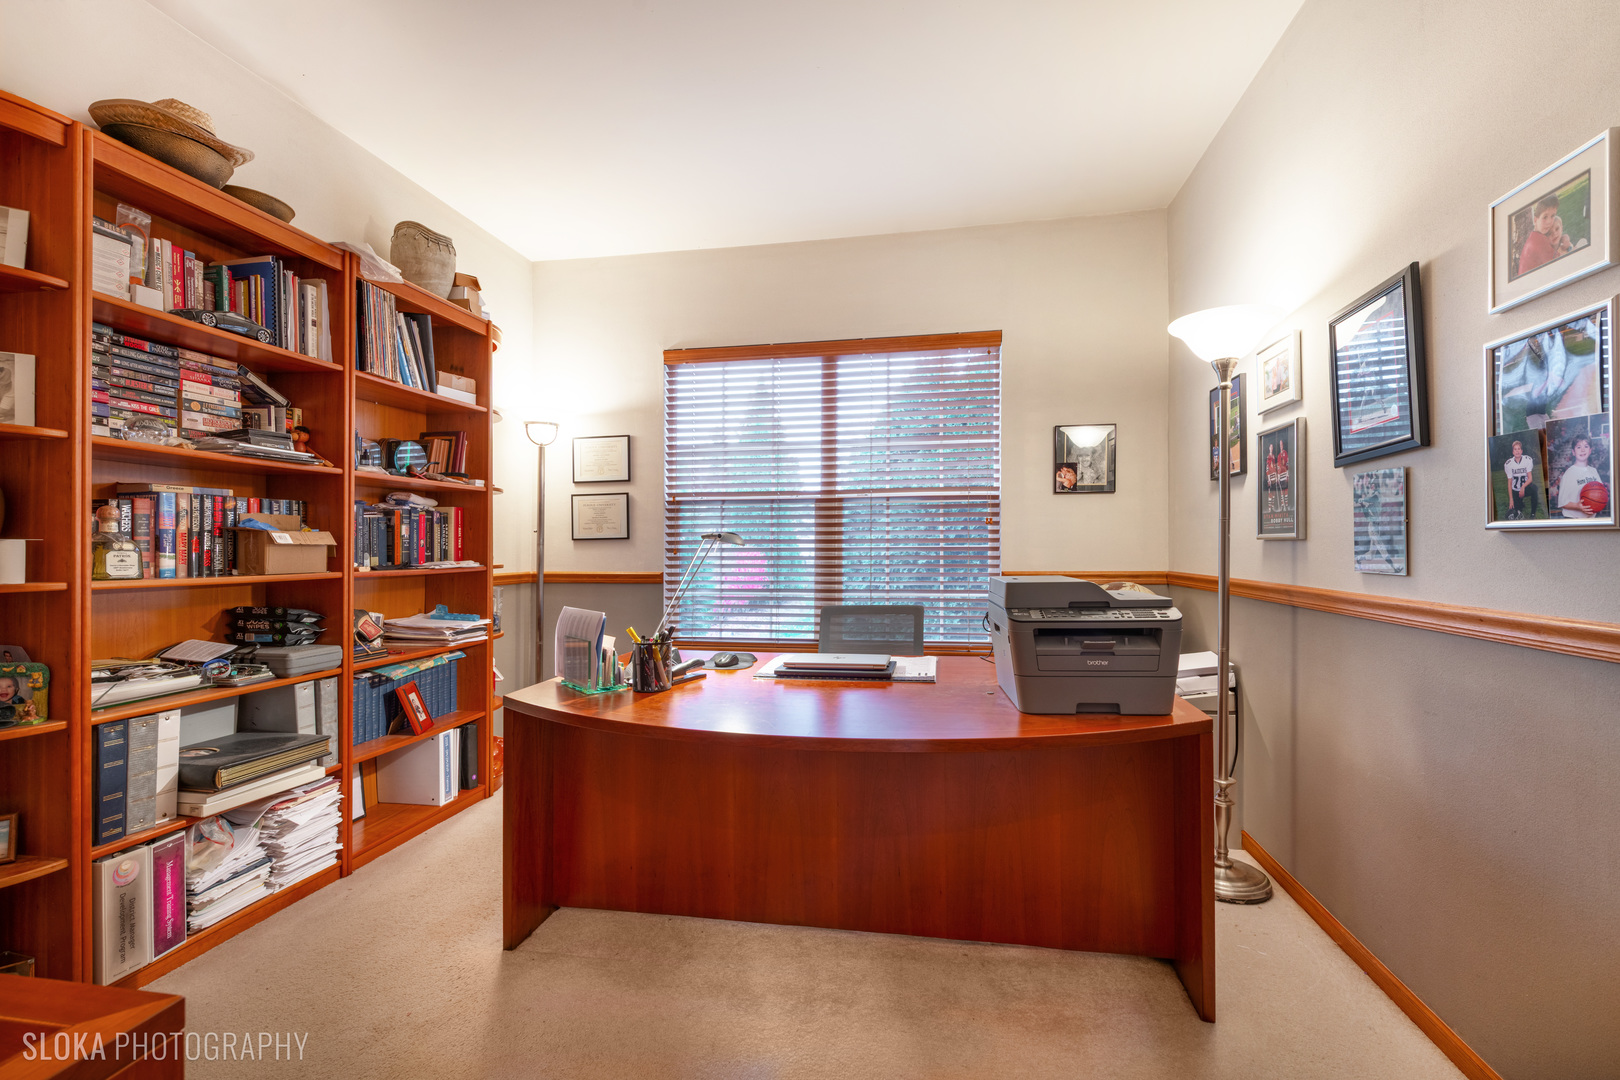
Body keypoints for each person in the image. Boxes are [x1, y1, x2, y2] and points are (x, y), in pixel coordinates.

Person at [1555, 434, 1604, 518]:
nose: (1582, 450)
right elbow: (1562, 502)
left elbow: (1600, 493)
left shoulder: (1593, 471)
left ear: (1590, 450)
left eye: (1586, 446)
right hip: (1573, 520)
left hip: (1590, 520)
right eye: (1578, 447)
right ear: (1573, 452)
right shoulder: (1569, 473)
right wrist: (1577, 506)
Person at [1518, 194, 1566, 276]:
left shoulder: (1535, 236)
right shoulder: (1538, 241)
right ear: (1535, 220)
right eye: (1545, 217)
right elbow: (1560, 263)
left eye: (1552, 216)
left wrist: (1564, 238)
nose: (1549, 221)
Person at [1503, 439, 1539, 519]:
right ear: (1513, 452)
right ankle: (1520, 504)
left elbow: (1530, 478)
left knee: (1534, 489)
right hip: (1515, 490)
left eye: (1519, 449)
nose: (1517, 451)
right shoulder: (1509, 464)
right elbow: (1509, 482)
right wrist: (1511, 499)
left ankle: (1532, 514)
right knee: (1515, 512)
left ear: (1522, 451)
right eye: (1515, 449)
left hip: (1525, 488)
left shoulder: (1527, 460)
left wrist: (1523, 487)